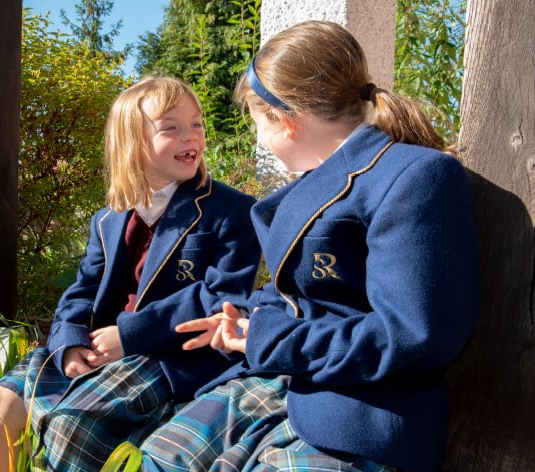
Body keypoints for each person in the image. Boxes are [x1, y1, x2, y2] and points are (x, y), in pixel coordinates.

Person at [139, 20, 480, 472]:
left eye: (259, 123)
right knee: (161, 457)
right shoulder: (316, 183)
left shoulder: (414, 176)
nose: (260, 139)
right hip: (286, 382)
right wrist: (246, 319)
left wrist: (272, 339)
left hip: (361, 410)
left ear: (287, 120)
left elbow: (415, 334)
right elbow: (297, 292)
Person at [0, 75, 262, 471]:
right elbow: (83, 289)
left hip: (168, 356)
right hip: (98, 346)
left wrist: (129, 335)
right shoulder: (109, 218)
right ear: (132, 142)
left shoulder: (230, 210)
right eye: (170, 128)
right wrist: (69, 343)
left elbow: (221, 297)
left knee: (72, 425)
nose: (190, 137)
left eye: (197, 125)